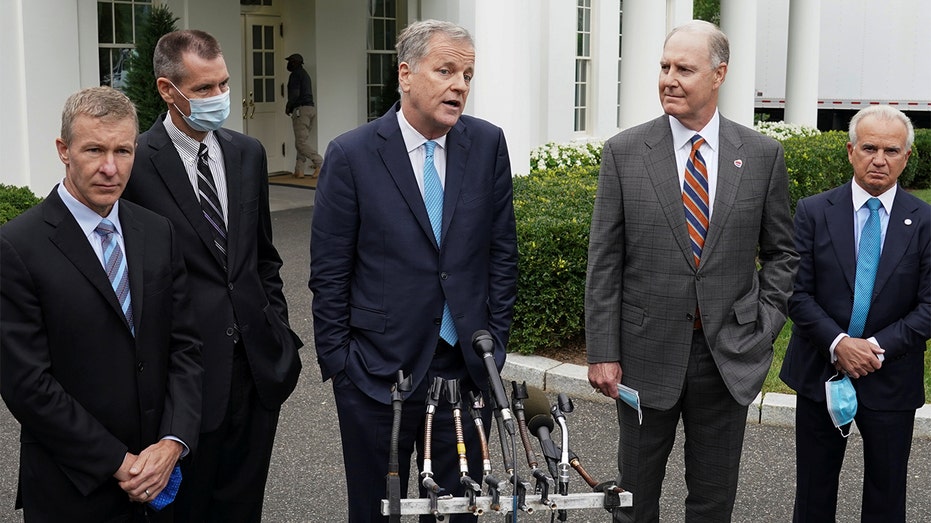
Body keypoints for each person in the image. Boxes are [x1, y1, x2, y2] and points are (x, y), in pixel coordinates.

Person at [586, 20, 798, 522]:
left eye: (684, 68)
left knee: (712, 500)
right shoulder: (624, 152)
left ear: (718, 74)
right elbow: (605, 262)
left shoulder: (763, 156)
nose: (669, 79)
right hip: (644, 355)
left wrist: (763, 325)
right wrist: (603, 351)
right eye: (664, 67)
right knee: (635, 499)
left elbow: (783, 255)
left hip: (727, 357)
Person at [309, 19, 518, 522]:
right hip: (376, 374)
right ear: (405, 74)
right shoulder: (352, 154)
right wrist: (341, 365)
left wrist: (494, 342)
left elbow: (501, 254)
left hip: (464, 369)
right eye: (445, 70)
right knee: (378, 510)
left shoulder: (487, 144)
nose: (459, 85)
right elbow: (330, 272)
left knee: (456, 510)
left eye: (467, 74)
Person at [122, 29, 303, 522]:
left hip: (257, 372)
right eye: (203, 89)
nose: (219, 97)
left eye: (223, 84)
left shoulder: (247, 153)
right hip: (182, 383)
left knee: (242, 510)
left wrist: (280, 339)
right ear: (167, 90)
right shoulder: (134, 164)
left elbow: (264, 258)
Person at [0, 86, 203, 521]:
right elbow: (27, 384)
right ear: (63, 150)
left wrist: (173, 442)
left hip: (161, 478)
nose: (110, 168)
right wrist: (120, 462)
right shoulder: (17, 246)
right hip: (73, 487)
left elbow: (185, 347)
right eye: (94, 149)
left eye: (123, 151)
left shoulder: (158, 233)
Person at [780, 105, 930, 522]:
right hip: (820, 372)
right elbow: (795, 291)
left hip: (891, 377)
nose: (879, 159)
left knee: (886, 496)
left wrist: (873, 349)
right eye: (868, 147)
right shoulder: (813, 211)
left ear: (907, 157)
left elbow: (930, 307)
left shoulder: (926, 221)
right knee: (813, 493)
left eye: (891, 150)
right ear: (850, 151)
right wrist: (839, 344)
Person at [285, 53, 323, 179]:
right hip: (310, 109)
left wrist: (289, 106)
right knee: (301, 141)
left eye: (290, 61)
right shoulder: (305, 74)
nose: (288, 64)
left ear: (296, 62)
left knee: (301, 143)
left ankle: (319, 163)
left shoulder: (295, 75)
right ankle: (299, 170)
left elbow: (295, 94)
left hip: (301, 110)